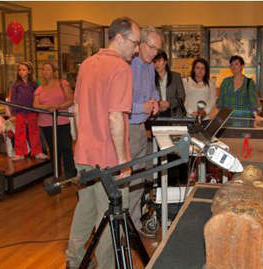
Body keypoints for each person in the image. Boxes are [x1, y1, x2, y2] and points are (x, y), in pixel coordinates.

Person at [65, 17, 140, 269]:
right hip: (108, 161)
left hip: (84, 155)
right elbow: (115, 116)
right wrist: (122, 162)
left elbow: (75, 109)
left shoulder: (86, 64)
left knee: (84, 211)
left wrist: (82, 141)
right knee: (111, 220)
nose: (136, 49)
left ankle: (73, 261)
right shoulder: (120, 69)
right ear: (119, 38)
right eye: (134, 42)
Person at [129, 26, 163, 237]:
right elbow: (118, 103)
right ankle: (123, 227)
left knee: (139, 179)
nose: (153, 53)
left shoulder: (149, 67)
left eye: (157, 50)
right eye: (151, 47)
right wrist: (143, 107)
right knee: (127, 179)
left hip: (141, 127)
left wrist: (156, 101)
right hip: (126, 127)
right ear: (140, 43)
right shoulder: (127, 65)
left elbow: (152, 91)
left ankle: (132, 224)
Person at [33, 62, 76, 179]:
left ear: (54, 71)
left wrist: (58, 106)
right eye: (43, 69)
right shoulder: (39, 89)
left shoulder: (62, 84)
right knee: (53, 149)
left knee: (66, 148)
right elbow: (35, 105)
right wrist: (47, 107)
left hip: (61, 122)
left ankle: (70, 175)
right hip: (46, 123)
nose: (45, 72)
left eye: (48, 69)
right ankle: (56, 174)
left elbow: (70, 100)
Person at [10, 61, 47, 161]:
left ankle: (37, 152)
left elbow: (38, 97)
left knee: (34, 131)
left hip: (32, 111)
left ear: (29, 71)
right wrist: (13, 112)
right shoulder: (15, 84)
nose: (21, 72)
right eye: (19, 70)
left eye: (24, 70)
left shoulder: (34, 84)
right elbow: (12, 99)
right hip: (20, 112)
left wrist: (38, 109)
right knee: (19, 132)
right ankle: (20, 153)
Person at [218, 55, 262, 119]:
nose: (233, 66)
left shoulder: (249, 82)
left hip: (244, 119)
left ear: (242, 66)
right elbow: (220, 102)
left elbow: (253, 102)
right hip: (227, 119)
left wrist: (255, 115)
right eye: (232, 64)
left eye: (236, 64)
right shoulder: (225, 82)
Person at [153, 51, 186, 117]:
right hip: (157, 114)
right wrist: (159, 103)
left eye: (159, 61)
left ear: (165, 62)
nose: (157, 64)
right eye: (155, 62)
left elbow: (182, 97)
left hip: (174, 114)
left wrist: (169, 103)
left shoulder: (176, 76)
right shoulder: (151, 78)